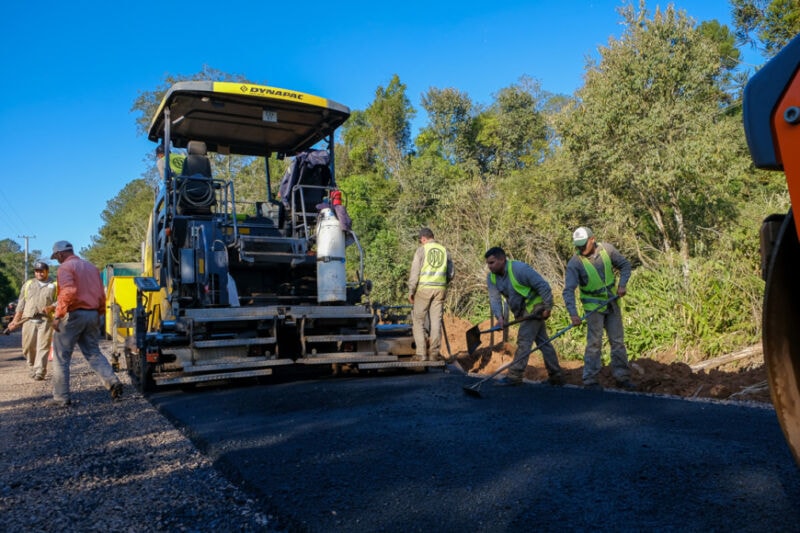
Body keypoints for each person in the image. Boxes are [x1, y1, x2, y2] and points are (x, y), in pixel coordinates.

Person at [49, 241, 123, 406]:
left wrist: (58, 316)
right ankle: (112, 381)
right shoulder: (91, 267)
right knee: (93, 352)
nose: (57, 261)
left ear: (60, 254)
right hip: (92, 314)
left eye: (56, 257)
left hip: (74, 314)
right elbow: (100, 294)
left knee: (61, 357)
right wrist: (100, 314)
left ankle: (61, 398)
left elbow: (68, 291)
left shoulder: (65, 268)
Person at [562, 226, 634, 391]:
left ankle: (622, 376)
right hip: (593, 308)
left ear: (592, 239)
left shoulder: (607, 250)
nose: (580, 249)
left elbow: (625, 265)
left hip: (612, 302)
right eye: (577, 246)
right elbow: (568, 290)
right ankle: (590, 380)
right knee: (594, 343)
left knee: (617, 341)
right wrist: (573, 314)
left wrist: (622, 285)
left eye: (583, 245)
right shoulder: (575, 263)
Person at [485, 247, 564, 385]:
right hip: (522, 311)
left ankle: (515, 376)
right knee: (543, 342)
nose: (489, 266)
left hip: (535, 308)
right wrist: (500, 318)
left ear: (502, 259)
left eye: (492, 263)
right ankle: (556, 376)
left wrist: (548, 307)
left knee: (524, 340)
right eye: (488, 263)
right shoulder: (492, 278)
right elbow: (494, 299)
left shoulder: (519, 269)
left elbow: (543, 286)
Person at [408, 228, 454, 362]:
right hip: (440, 289)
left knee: (418, 320)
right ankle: (434, 354)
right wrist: (442, 283)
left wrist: (411, 290)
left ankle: (421, 353)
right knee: (436, 321)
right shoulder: (445, 250)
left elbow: (415, 272)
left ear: (423, 239)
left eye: (420, 241)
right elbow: (451, 274)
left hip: (424, 289)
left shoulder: (421, 250)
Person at [6, 261, 57, 380]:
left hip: (46, 320)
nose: (39, 273)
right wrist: (15, 320)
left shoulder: (54, 285)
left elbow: (61, 301)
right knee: (28, 347)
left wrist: (51, 307)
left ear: (47, 271)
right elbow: (21, 304)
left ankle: (40, 371)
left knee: (43, 346)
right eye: (37, 271)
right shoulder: (28, 284)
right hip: (28, 320)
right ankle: (32, 366)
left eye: (42, 271)